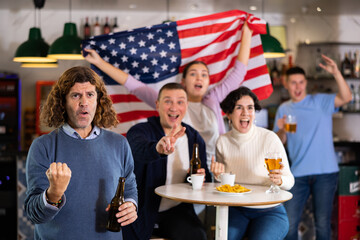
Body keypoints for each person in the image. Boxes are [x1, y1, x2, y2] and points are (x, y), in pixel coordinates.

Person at [84, 21, 253, 168]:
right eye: (193, 74)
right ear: (183, 81)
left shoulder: (213, 100)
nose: (199, 78)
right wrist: (99, 62)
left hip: (215, 170)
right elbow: (134, 85)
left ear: (209, 81)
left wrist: (247, 32)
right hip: (180, 172)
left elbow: (239, 72)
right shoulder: (170, 102)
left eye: (204, 74)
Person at [24, 66, 138, 240]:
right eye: (76, 95)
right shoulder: (42, 146)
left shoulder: (119, 144)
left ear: (98, 100)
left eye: (90, 95)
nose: (84, 102)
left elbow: (129, 188)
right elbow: (33, 214)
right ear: (63, 102)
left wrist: (132, 205)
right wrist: (53, 194)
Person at [273, 55, 352, 240]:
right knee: (289, 224)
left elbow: (346, 97)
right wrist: (282, 129)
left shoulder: (320, 102)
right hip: (297, 174)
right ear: (286, 84)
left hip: (326, 173)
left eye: (301, 82)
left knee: (322, 224)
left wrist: (336, 73)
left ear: (306, 83)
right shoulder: (284, 109)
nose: (298, 87)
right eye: (293, 83)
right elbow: (278, 142)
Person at [122, 83, 211, 240]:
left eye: (180, 102)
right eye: (168, 101)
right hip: (142, 209)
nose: (174, 107)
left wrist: (202, 177)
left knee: (198, 235)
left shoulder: (195, 138)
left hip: (177, 211)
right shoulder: (140, 131)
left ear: (187, 105)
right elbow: (137, 149)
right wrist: (157, 149)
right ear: (157, 104)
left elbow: (204, 178)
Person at [211, 86, 294, 240]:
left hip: (270, 211)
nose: (245, 113)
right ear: (228, 114)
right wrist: (218, 176)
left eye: (250, 108)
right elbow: (225, 184)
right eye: (239, 108)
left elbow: (290, 181)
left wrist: (280, 180)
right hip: (236, 210)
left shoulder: (269, 138)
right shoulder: (222, 141)